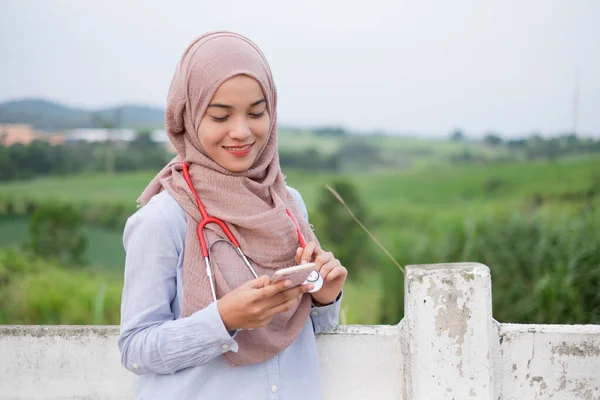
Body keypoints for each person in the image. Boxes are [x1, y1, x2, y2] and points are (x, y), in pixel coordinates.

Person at [118, 31, 347, 400]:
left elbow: (304, 330)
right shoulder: (164, 219)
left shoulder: (288, 205)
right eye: (220, 115)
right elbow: (135, 349)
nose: (241, 132)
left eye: (256, 113)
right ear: (187, 117)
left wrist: (324, 298)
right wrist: (222, 320)